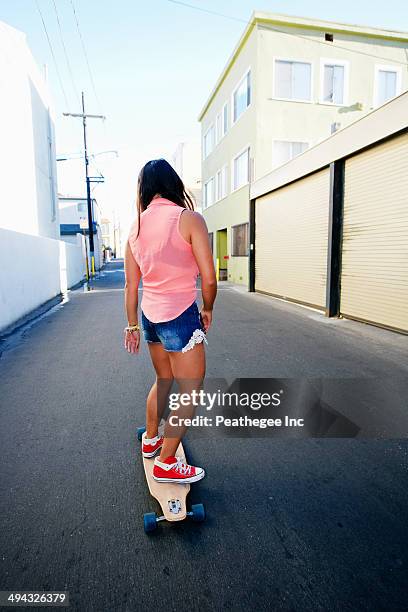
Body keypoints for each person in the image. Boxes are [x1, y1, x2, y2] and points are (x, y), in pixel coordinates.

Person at [124, 159, 217, 484]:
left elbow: (131, 285)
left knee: (164, 380)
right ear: (173, 183)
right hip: (179, 314)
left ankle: (151, 439)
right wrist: (208, 308)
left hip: (150, 316)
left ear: (145, 190)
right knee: (190, 390)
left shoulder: (134, 228)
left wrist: (132, 325)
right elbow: (209, 277)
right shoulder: (188, 218)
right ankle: (166, 463)